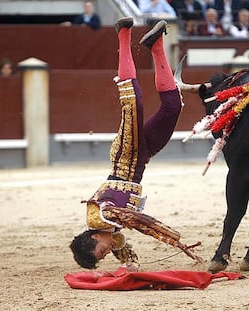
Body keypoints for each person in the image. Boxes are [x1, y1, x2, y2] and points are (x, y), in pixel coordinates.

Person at [70, 18, 198, 270]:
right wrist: (130, 267)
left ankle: (123, 34)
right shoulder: (112, 235)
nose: (106, 253)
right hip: (143, 157)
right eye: (103, 257)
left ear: (94, 238)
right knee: (173, 108)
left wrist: (174, 240)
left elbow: (139, 221)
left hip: (126, 155)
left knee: (133, 102)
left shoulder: (99, 217)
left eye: (100, 252)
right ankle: (156, 45)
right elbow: (128, 255)